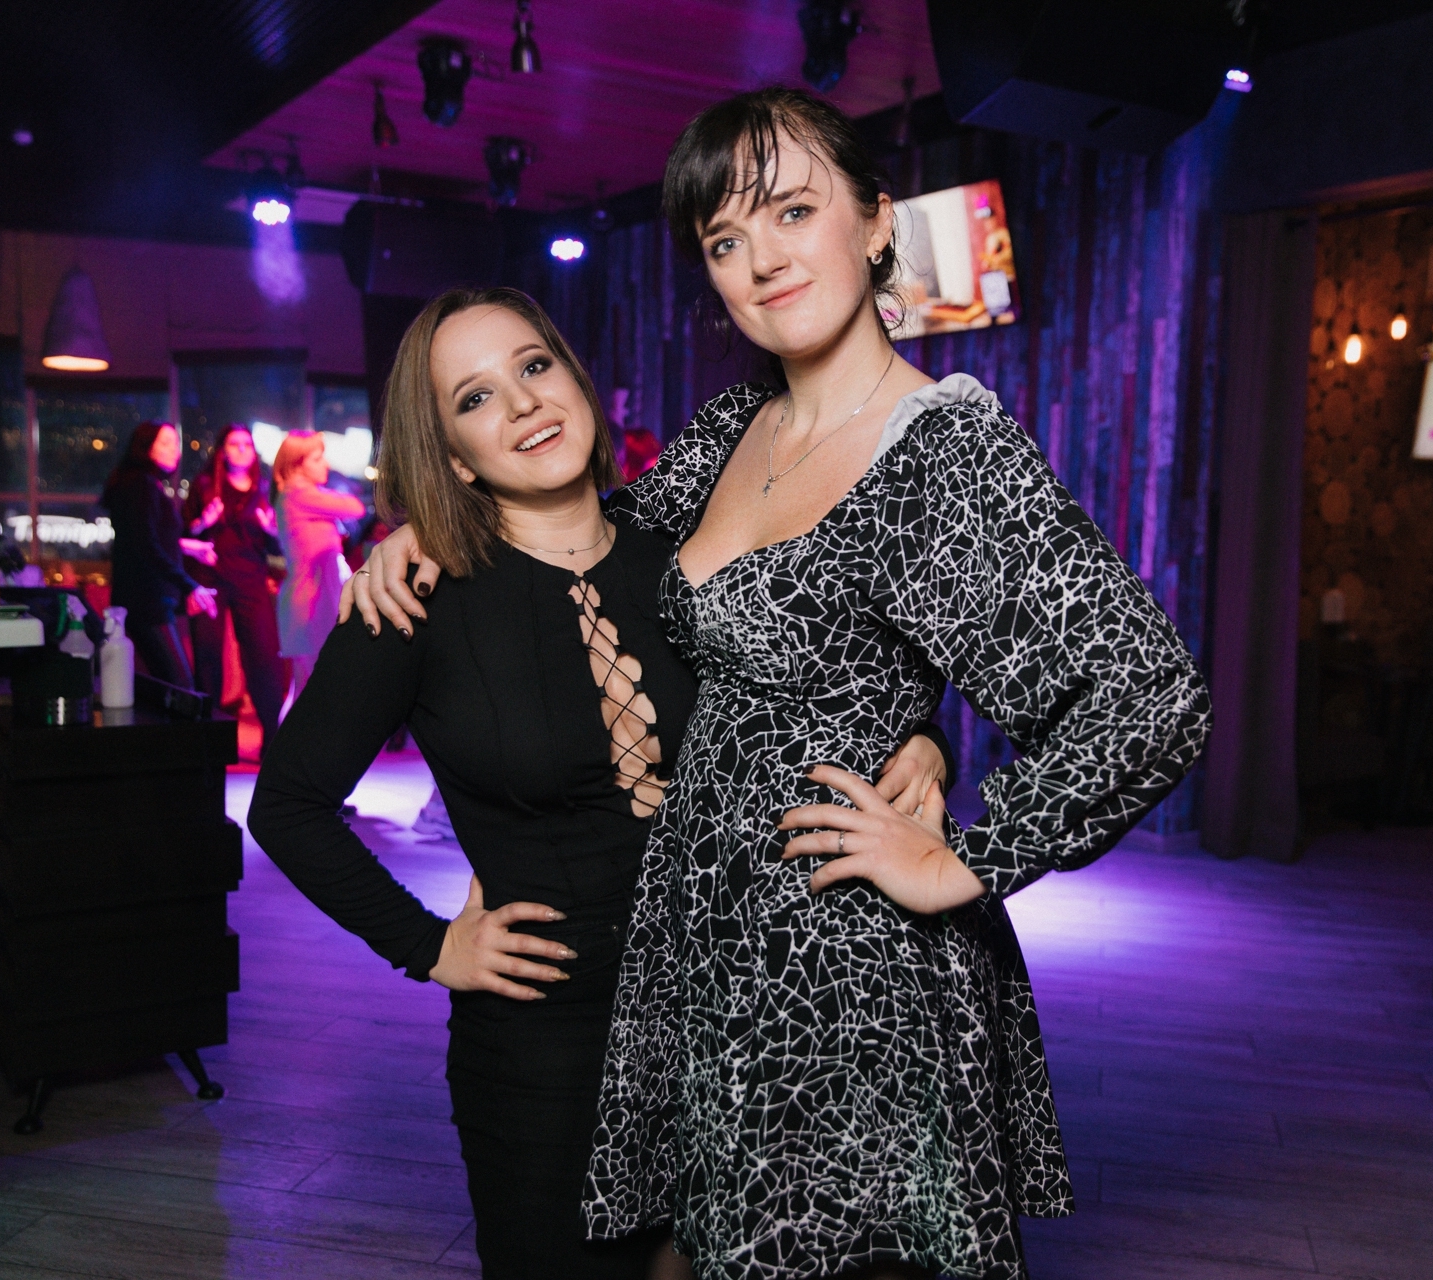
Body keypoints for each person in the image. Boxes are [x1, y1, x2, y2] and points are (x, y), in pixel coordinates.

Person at [349, 89, 1212, 1280]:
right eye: (725, 239)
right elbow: (598, 546)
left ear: (874, 221)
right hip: (708, 962)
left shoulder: (947, 451)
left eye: (794, 211)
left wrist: (962, 857)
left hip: (843, 967)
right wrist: (432, 529)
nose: (761, 260)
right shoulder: (733, 429)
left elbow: (1150, 697)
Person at [251, 285, 957, 1280]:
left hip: (738, 1017)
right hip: (550, 1042)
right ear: (455, 456)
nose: (523, 404)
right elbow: (286, 805)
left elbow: (834, 685)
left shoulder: (698, 560)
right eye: (475, 398)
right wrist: (429, 944)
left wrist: (922, 739)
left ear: (577, 383)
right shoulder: (418, 602)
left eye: (534, 366)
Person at [184, 423, 290, 751]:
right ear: (222, 451)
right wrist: (203, 523)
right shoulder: (205, 486)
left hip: (250, 578)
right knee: (208, 655)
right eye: (234, 444)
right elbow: (184, 535)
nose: (242, 449)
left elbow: (278, 548)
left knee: (263, 655)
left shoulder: (264, 489)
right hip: (210, 577)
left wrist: (272, 532)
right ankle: (208, 742)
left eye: (247, 444)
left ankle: (272, 740)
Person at [102, 421, 216, 687]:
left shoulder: (140, 483)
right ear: (145, 447)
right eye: (165, 443)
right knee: (180, 686)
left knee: (171, 684)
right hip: (147, 602)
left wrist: (187, 547)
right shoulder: (141, 485)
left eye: (176, 443)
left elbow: (144, 538)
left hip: (144, 599)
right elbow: (145, 546)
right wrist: (190, 586)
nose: (175, 450)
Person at [270, 429, 366, 706]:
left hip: (315, 599)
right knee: (311, 693)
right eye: (317, 458)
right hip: (309, 603)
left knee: (308, 690)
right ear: (296, 465)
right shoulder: (298, 494)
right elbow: (355, 507)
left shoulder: (300, 495)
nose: (325, 464)